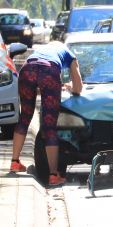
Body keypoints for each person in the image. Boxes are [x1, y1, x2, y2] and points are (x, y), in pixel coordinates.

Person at [11, 41, 83, 187]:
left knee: (24, 117)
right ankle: (53, 175)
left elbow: (36, 83)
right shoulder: (68, 54)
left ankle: (15, 161)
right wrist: (70, 87)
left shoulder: (40, 50)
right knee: (50, 125)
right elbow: (79, 88)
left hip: (26, 70)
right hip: (49, 71)